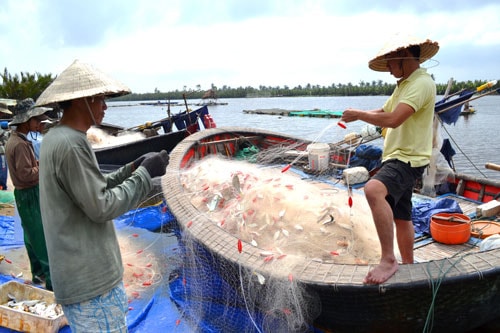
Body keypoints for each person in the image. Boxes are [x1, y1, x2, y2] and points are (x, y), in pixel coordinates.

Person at [36, 59, 169, 332]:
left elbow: (91, 187)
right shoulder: (72, 144)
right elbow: (102, 206)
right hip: (91, 285)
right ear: (82, 101)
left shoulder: (56, 138)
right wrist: (145, 176)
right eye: (100, 100)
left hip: (78, 278)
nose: (105, 106)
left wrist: (132, 167)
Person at [341, 33, 439, 284]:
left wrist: (360, 114)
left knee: (373, 190)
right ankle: (409, 265)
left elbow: (394, 119)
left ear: (404, 57)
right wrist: (354, 116)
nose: (389, 70)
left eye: (391, 64)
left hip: (407, 158)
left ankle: (388, 260)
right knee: (402, 215)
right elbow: (385, 111)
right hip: (400, 156)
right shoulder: (405, 84)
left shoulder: (421, 83)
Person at [4, 98, 53, 290]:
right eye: (37, 120)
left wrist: (38, 164)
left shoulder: (15, 140)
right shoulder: (21, 145)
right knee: (41, 238)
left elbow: (26, 169)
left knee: (30, 236)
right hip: (30, 193)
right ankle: (51, 283)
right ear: (27, 121)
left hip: (23, 195)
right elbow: (26, 174)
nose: (40, 124)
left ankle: (38, 274)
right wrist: (46, 166)